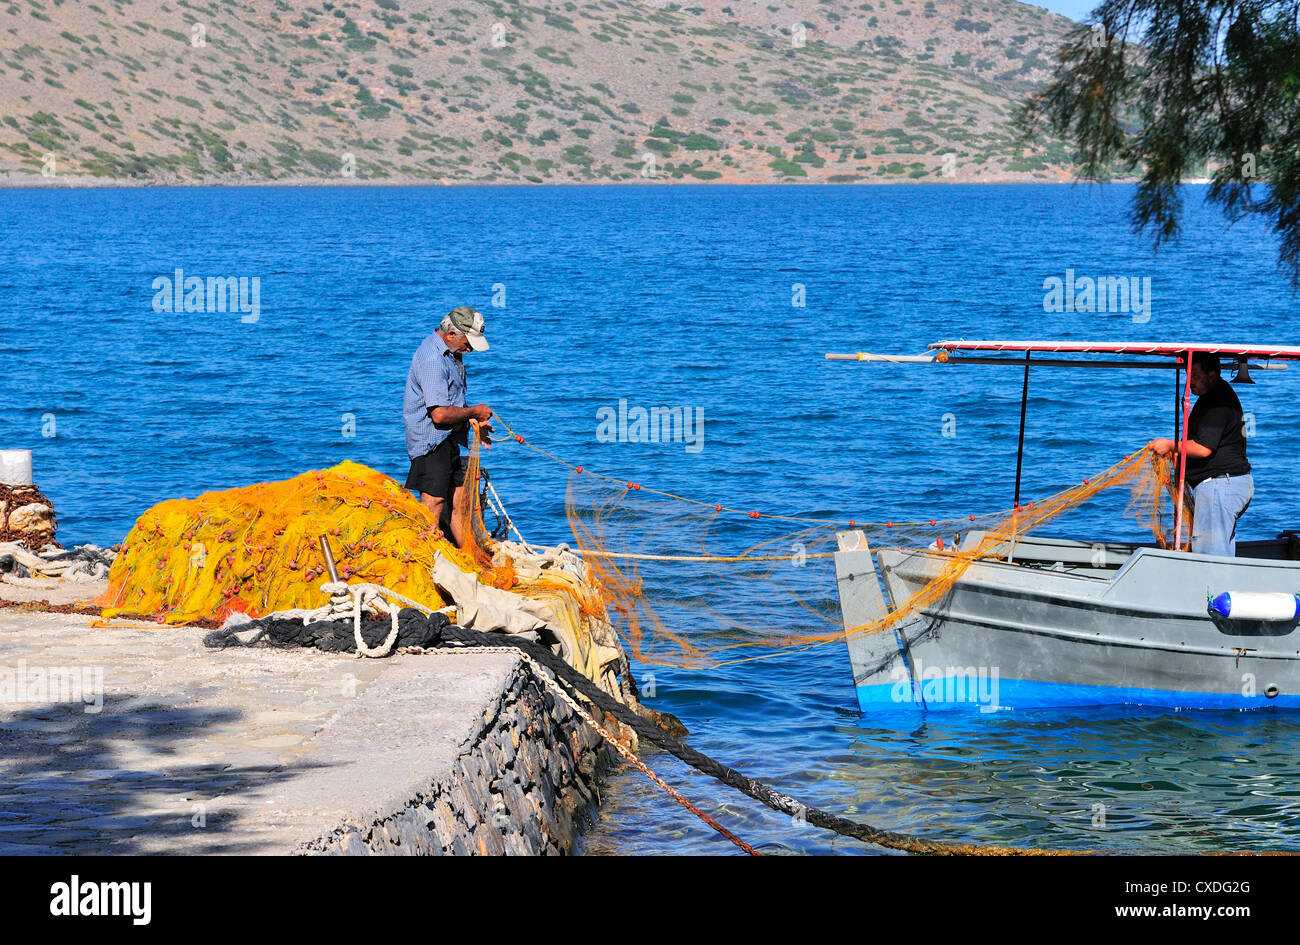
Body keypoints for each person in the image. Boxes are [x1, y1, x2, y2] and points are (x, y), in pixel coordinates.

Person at [403, 306, 494, 546]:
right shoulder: (433, 360)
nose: (471, 348)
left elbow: (451, 402)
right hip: (431, 443)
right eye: (469, 341)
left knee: (460, 503)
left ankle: (469, 559)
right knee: (435, 503)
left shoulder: (452, 352)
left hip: (448, 439)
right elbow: (440, 415)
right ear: (452, 334)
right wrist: (474, 411)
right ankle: (426, 557)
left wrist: (471, 420)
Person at [1147, 351, 1253, 557]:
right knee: (1219, 549)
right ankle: (1221, 587)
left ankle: (1211, 589)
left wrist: (1170, 445)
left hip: (1221, 486)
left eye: (1195, 375)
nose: (1190, 382)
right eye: (1188, 375)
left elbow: (1204, 448)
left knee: (1210, 555)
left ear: (1212, 376)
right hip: (1226, 485)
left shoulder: (1218, 402)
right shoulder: (1214, 397)